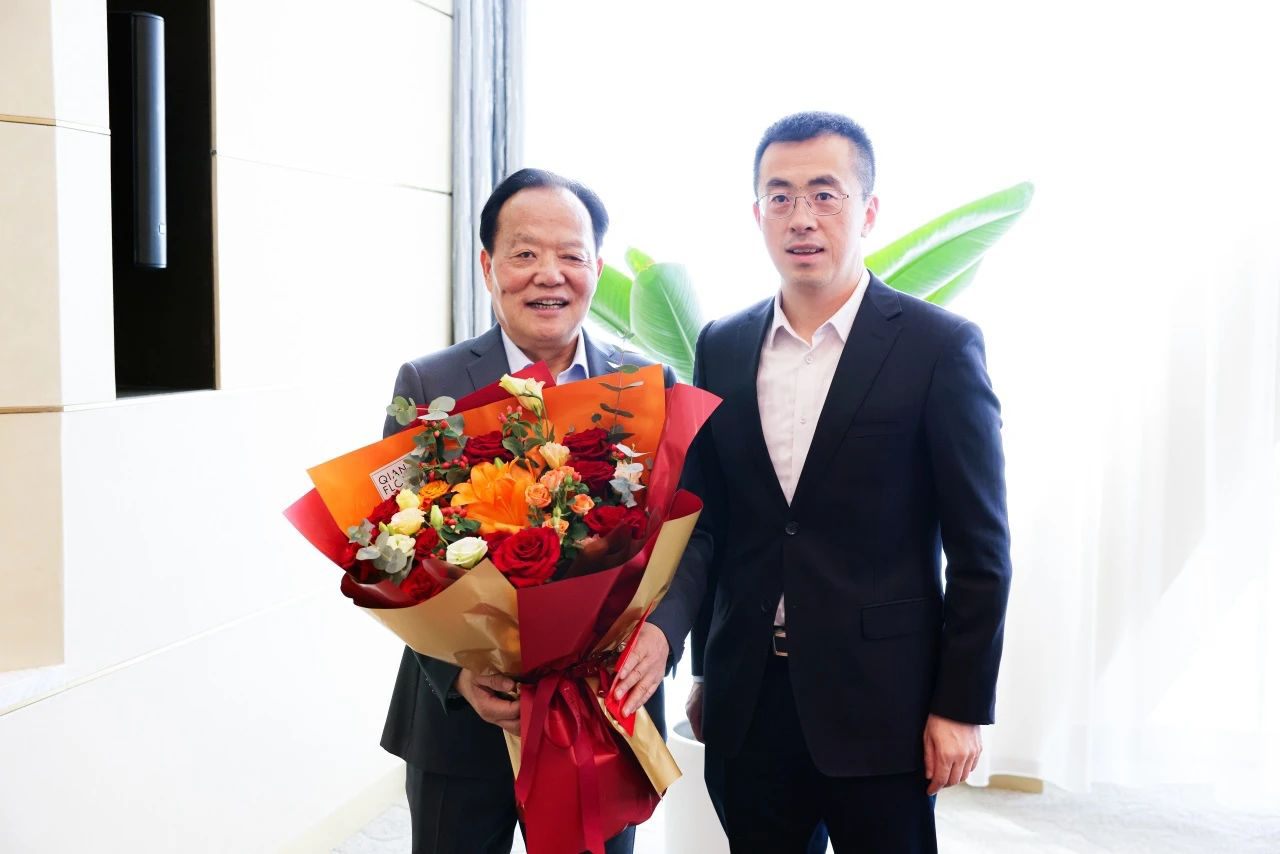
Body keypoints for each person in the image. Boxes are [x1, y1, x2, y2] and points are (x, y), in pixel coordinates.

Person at [612, 111, 1013, 852]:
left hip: (883, 701)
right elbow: (710, 525)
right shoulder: (723, 345)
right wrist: (702, 668)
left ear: (869, 210)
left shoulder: (937, 347)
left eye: (825, 195)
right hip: (751, 698)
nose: (801, 217)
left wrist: (960, 705)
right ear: (757, 213)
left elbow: (981, 549)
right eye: (780, 196)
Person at [379, 167, 670, 854]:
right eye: (525, 253)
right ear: (488, 266)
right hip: (462, 724)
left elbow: (694, 536)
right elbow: (390, 546)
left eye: (571, 255)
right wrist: (458, 672)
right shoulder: (429, 383)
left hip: (599, 717)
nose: (550, 274)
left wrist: (664, 635)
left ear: (596, 269)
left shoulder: (646, 387)